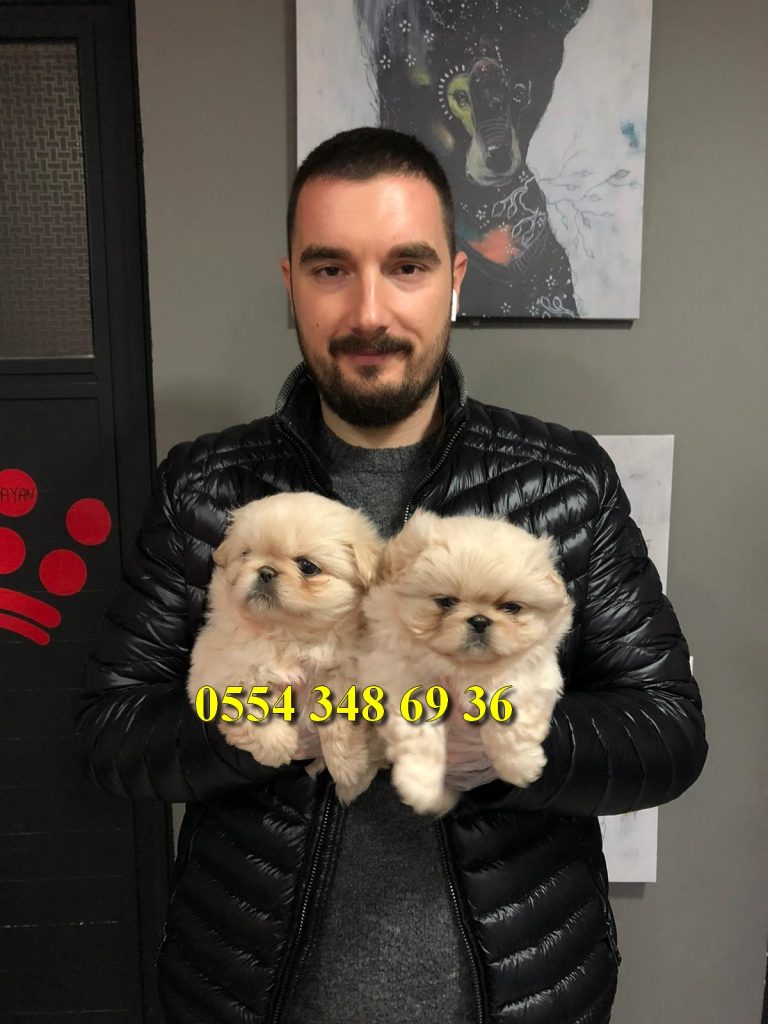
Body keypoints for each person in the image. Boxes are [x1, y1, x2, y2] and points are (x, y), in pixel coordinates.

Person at [75, 127, 708, 1024]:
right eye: (331, 269)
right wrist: (256, 728)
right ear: (290, 282)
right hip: (247, 991)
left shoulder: (564, 484)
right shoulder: (205, 490)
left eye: (406, 267)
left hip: (521, 993)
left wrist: (507, 743)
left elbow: (668, 730)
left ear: (455, 278)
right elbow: (109, 734)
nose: (369, 311)